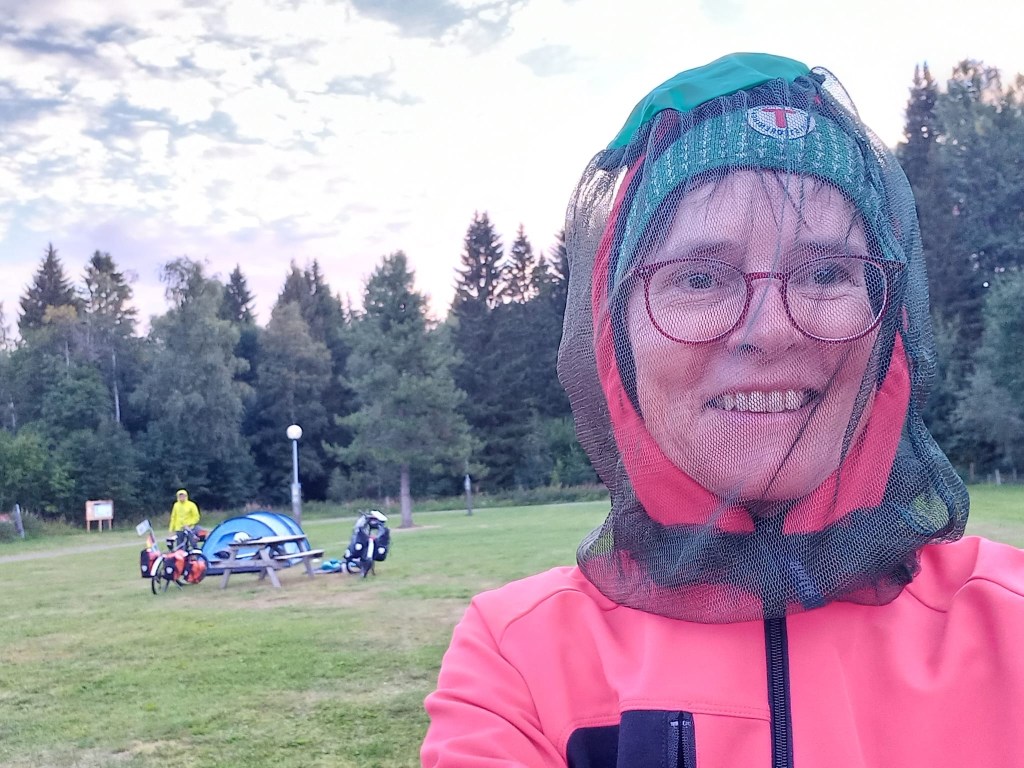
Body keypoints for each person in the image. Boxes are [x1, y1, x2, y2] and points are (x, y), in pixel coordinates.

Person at [421, 53, 1024, 767]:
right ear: (617, 342)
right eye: (700, 278)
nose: (771, 329)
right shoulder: (520, 658)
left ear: (886, 328)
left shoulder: (1009, 622)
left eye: (826, 272)